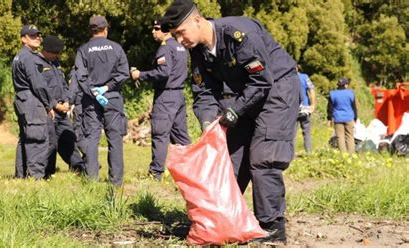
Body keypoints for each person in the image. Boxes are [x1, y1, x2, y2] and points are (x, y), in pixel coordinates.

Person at [160, 0, 301, 244]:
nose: (179, 40)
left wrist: (234, 111)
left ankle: (272, 227)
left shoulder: (239, 35)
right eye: (174, 36)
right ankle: (221, 219)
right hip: (246, 94)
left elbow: (261, 81)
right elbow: (203, 92)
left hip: (277, 88)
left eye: (180, 33)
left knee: (263, 157)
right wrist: (207, 122)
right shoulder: (198, 52)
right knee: (228, 160)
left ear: (197, 20)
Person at [130, 18, 191, 181]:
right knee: (181, 136)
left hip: (166, 96)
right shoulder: (181, 47)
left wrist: (140, 75)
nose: (153, 31)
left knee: (160, 134)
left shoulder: (165, 48)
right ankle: (191, 172)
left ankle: (156, 173)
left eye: (156, 28)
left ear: (165, 30)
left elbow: (163, 73)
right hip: (179, 95)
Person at [73, 15, 129, 186]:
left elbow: (80, 77)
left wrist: (94, 92)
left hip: (91, 100)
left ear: (91, 30)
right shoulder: (116, 48)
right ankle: (116, 182)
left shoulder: (83, 50)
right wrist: (107, 88)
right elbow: (124, 73)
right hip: (112, 99)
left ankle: (91, 180)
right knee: (115, 140)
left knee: (91, 139)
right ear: (106, 29)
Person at [12, 25, 67, 179]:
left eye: (38, 35)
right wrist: (51, 105)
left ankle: (21, 176)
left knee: (25, 138)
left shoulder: (19, 56)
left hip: (22, 100)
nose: (37, 38)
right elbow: (38, 84)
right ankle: (35, 178)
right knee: (38, 138)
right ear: (23, 39)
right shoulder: (29, 57)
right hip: (31, 102)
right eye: (32, 36)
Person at [35, 35, 85, 177]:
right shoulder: (37, 64)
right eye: (55, 52)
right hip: (49, 110)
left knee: (68, 139)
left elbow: (62, 84)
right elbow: (40, 88)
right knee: (51, 143)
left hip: (62, 110)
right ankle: (47, 172)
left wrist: (67, 101)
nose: (57, 55)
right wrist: (55, 105)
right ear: (47, 50)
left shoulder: (55, 63)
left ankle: (78, 167)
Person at [327, 78, 357, 154]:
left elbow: (330, 108)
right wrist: (355, 117)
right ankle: (351, 155)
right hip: (349, 118)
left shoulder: (332, 94)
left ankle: (343, 155)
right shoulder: (350, 93)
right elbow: (354, 107)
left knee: (340, 137)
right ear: (345, 85)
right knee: (350, 136)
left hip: (338, 118)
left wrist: (329, 118)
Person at [296, 67, 316, 153]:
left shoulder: (287, 78)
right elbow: (312, 90)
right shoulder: (304, 77)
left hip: (293, 109)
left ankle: (291, 155)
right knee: (307, 132)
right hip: (305, 109)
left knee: (292, 133)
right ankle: (309, 153)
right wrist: (313, 105)